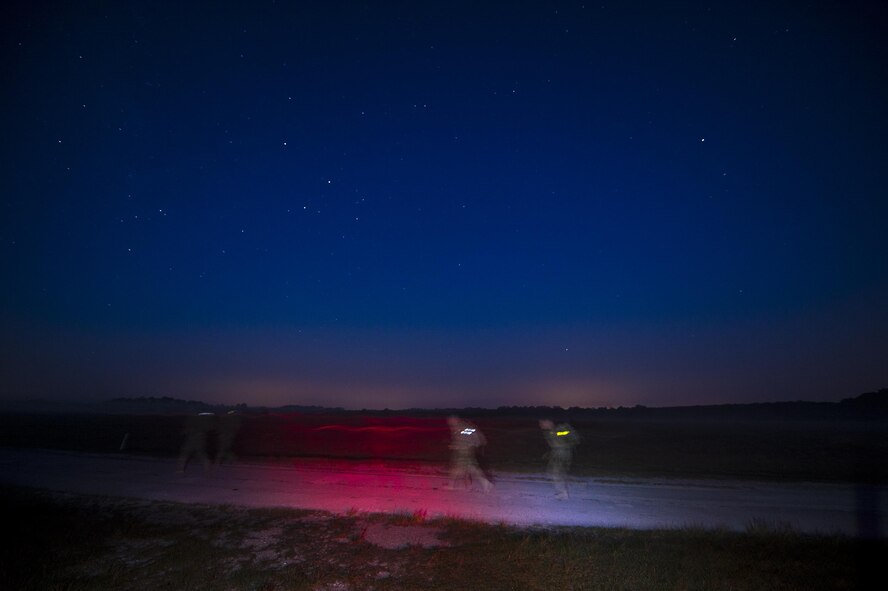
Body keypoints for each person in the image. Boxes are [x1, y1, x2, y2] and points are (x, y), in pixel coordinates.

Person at [445, 415, 493, 492]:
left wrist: (458, 446)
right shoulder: (459, 427)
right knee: (470, 469)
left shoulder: (462, 428)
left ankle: (451, 485)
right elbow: (462, 438)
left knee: (458, 469)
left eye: (451, 421)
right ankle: (479, 484)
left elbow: (467, 437)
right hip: (464, 451)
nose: (450, 424)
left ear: (455, 420)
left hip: (464, 451)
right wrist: (455, 445)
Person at [540, 419, 580, 499]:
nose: (541, 425)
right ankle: (564, 489)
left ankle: (563, 493)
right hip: (557, 454)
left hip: (562, 454)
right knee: (553, 473)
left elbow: (567, 435)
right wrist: (548, 453)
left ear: (549, 422)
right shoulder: (549, 432)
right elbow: (554, 444)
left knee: (556, 473)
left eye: (542, 422)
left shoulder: (559, 429)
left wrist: (559, 435)